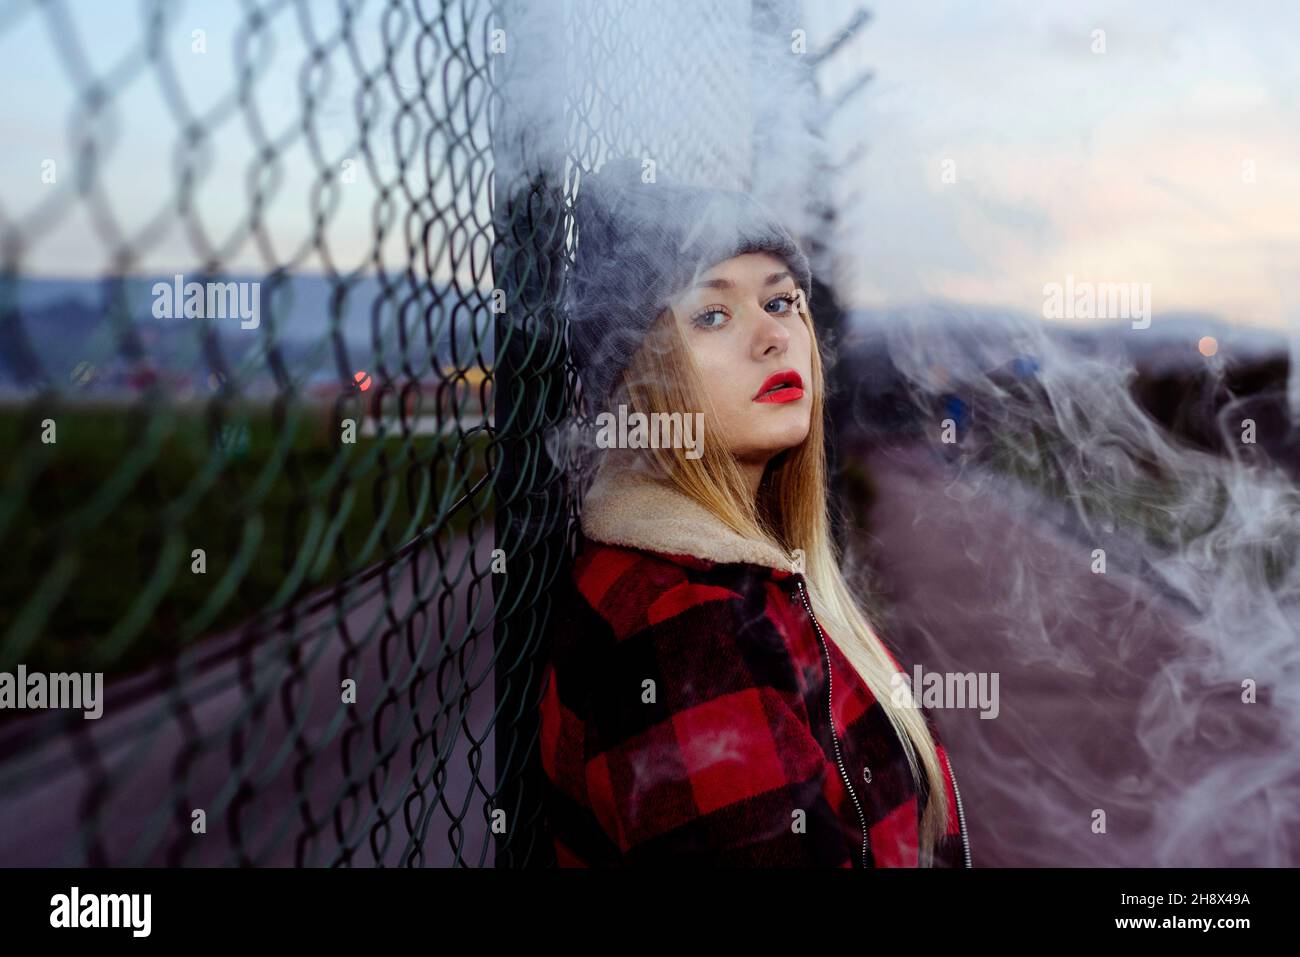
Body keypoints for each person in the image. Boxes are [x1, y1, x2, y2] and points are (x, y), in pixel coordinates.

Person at [538, 158, 971, 867]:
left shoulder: (733, 582)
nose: (773, 336)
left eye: (779, 302)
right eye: (712, 313)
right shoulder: (691, 625)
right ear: (637, 376)